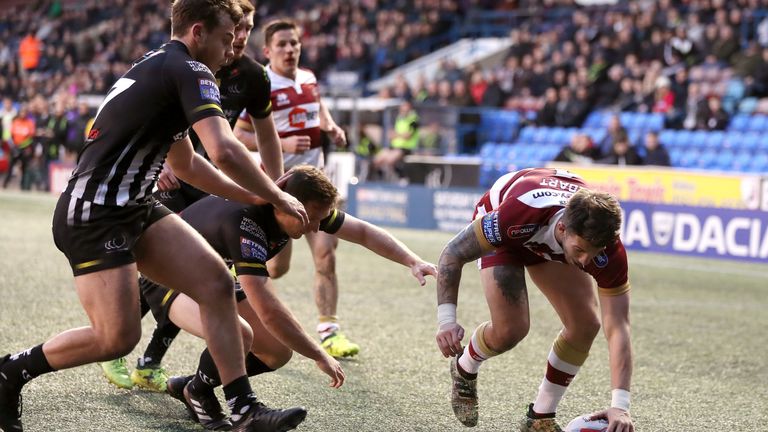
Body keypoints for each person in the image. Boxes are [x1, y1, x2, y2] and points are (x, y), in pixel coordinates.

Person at [0, 2, 310, 431]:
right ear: (198, 32)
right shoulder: (192, 71)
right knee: (117, 338)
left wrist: (255, 198)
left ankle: (243, 409)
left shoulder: (162, 65)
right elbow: (222, 149)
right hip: (97, 214)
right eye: (225, 38)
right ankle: (10, 372)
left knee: (216, 283)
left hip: (134, 206)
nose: (232, 47)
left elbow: (188, 166)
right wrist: (274, 193)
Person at [148, 165, 435, 429]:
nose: (314, 228)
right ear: (285, 202)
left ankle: (196, 387)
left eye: (319, 220)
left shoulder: (300, 211)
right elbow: (268, 310)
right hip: (164, 279)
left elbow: (362, 232)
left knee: (276, 351)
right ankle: (240, 408)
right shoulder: (246, 223)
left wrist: (412, 260)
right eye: (310, 219)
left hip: (211, 279)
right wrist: (318, 354)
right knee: (242, 334)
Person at [98, 0, 286, 394]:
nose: (241, 38)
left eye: (249, 29)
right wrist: (164, 158)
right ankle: (118, 340)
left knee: (205, 277)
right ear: (215, 27)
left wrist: (277, 183)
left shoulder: (253, 76)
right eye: (237, 27)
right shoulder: (183, 62)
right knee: (168, 271)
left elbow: (264, 133)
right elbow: (150, 118)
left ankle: (152, 360)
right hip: (172, 181)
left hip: (213, 183)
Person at [435, 167, 634, 432]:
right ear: (563, 228)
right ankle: (465, 367)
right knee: (511, 330)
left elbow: (618, 324)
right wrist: (447, 320)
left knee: (586, 324)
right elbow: (452, 254)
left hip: (547, 238)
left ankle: (540, 418)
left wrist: (620, 404)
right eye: (581, 250)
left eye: (594, 252)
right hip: (510, 233)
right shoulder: (517, 214)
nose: (586, 261)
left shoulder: (609, 250)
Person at [233, 19, 359, 359]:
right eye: (282, 45)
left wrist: (330, 126)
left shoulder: (309, 77)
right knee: (278, 267)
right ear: (268, 51)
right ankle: (245, 291)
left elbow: (317, 104)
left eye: (294, 44)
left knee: (326, 254)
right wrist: (283, 142)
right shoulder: (261, 82)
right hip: (280, 189)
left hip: (315, 187)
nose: (290, 50)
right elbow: (237, 134)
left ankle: (329, 330)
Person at [372, 99, 420, 181]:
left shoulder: (414, 120)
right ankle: (380, 179)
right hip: (394, 146)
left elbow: (408, 135)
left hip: (406, 148)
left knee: (390, 160)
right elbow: (392, 134)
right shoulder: (399, 118)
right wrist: (395, 135)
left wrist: (396, 135)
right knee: (377, 160)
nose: (403, 108)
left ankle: (402, 178)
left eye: (405, 106)